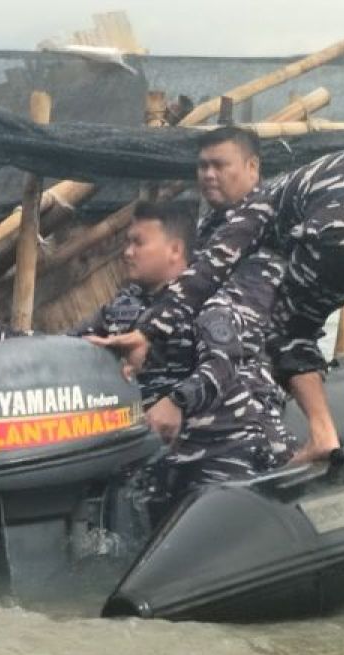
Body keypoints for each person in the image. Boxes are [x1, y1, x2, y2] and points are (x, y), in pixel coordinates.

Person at [96, 128, 344, 463]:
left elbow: (210, 269)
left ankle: (323, 435)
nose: (207, 175)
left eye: (218, 165)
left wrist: (148, 332)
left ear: (253, 168)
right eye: (201, 166)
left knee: (290, 328)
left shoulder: (265, 201)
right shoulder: (326, 191)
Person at [76, 200, 284, 495]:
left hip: (217, 454)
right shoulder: (121, 309)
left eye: (138, 242)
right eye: (127, 243)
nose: (127, 252)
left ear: (174, 249)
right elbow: (64, 342)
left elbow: (223, 362)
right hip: (151, 459)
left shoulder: (210, 301)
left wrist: (177, 402)